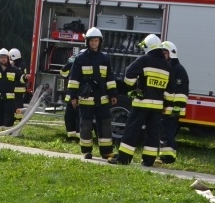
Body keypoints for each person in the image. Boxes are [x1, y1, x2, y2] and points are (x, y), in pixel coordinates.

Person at [110, 34, 171, 166]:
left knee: (132, 130)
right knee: (153, 133)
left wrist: (133, 89)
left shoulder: (144, 60)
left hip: (141, 103)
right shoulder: (167, 66)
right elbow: (168, 90)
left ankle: (123, 159)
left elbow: (129, 73)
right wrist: (165, 104)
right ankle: (149, 161)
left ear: (148, 47)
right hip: (157, 106)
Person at [67, 27, 118, 159]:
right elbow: (74, 79)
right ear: (87, 42)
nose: (94, 43)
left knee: (105, 125)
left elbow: (110, 77)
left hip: (103, 99)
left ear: (100, 42)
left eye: (96, 40)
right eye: (92, 41)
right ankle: (86, 151)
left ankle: (106, 152)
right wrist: (73, 96)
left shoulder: (105, 58)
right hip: (86, 99)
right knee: (86, 125)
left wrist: (113, 94)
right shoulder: (80, 58)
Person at [159, 40, 189, 164]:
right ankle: (165, 156)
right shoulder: (168, 68)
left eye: (165, 53)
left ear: (171, 54)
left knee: (167, 132)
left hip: (173, 108)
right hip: (166, 107)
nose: (162, 55)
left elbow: (182, 91)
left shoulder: (178, 69)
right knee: (165, 132)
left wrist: (177, 107)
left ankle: (168, 157)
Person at [59, 49, 79, 141]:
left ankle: (79, 138)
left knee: (79, 119)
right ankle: (71, 137)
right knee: (68, 117)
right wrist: (68, 64)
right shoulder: (73, 66)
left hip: (81, 98)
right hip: (70, 97)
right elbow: (63, 73)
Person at [9, 48, 27, 113]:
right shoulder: (21, 64)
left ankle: (18, 118)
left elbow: (17, 76)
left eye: (10, 57)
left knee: (17, 105)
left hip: (18, 89)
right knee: (16, 104)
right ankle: (17, 117)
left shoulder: (19, 66)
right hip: (18, 89)